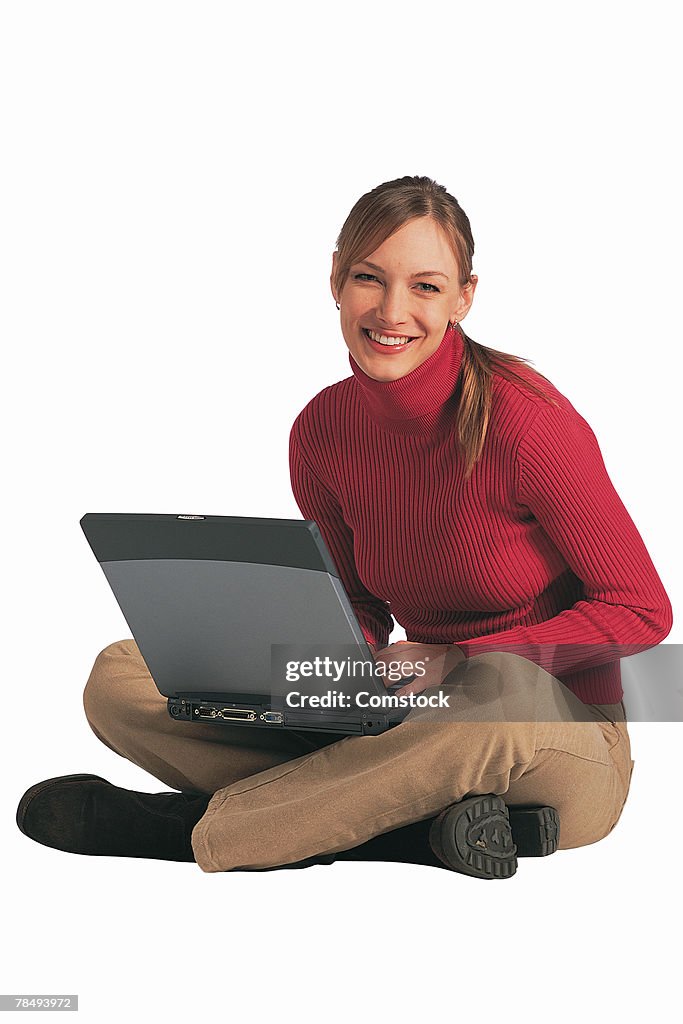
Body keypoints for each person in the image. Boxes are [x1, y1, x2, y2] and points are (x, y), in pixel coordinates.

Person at [16, 175, 672, 880]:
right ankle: (412, 830)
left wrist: (462, 656)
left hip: (552, 738)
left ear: (464, 297)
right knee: (122, 675)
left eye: (424, 286)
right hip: (401, 720)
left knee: (500, 693)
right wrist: (331, 679)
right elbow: (357, 603)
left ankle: (186, 831)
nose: (392, 310)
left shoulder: (530, 425)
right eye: (369, 278)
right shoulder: (322, 428)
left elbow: (641, 611)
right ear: (336, 280)